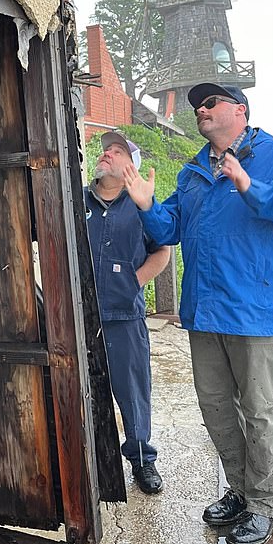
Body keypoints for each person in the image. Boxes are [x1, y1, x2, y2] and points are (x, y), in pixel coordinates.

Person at [122, 83, 273, 544]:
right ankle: (240, 490)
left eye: (210, 103)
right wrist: (148, 204)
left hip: (255, 312)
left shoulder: (272, 156)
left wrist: (249, 186)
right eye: (197, 107)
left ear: (240, 110)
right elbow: (171, 226)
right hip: (204, 310)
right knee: (216, 409)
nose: (201, 110)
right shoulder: (193, 172)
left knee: (262, 412)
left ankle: (266, 504)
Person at [84, 131, 171, 494]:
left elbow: (162, 252)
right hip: (80, 315)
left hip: (124, 316)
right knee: (80, 389)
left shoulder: (140, 204)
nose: (107, 154)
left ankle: (141, 460)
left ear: (130, 168)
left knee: (133, 391)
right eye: (105, 150)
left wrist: (132, 283)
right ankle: (84, 459)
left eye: (117, 151)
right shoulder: (78, 200)